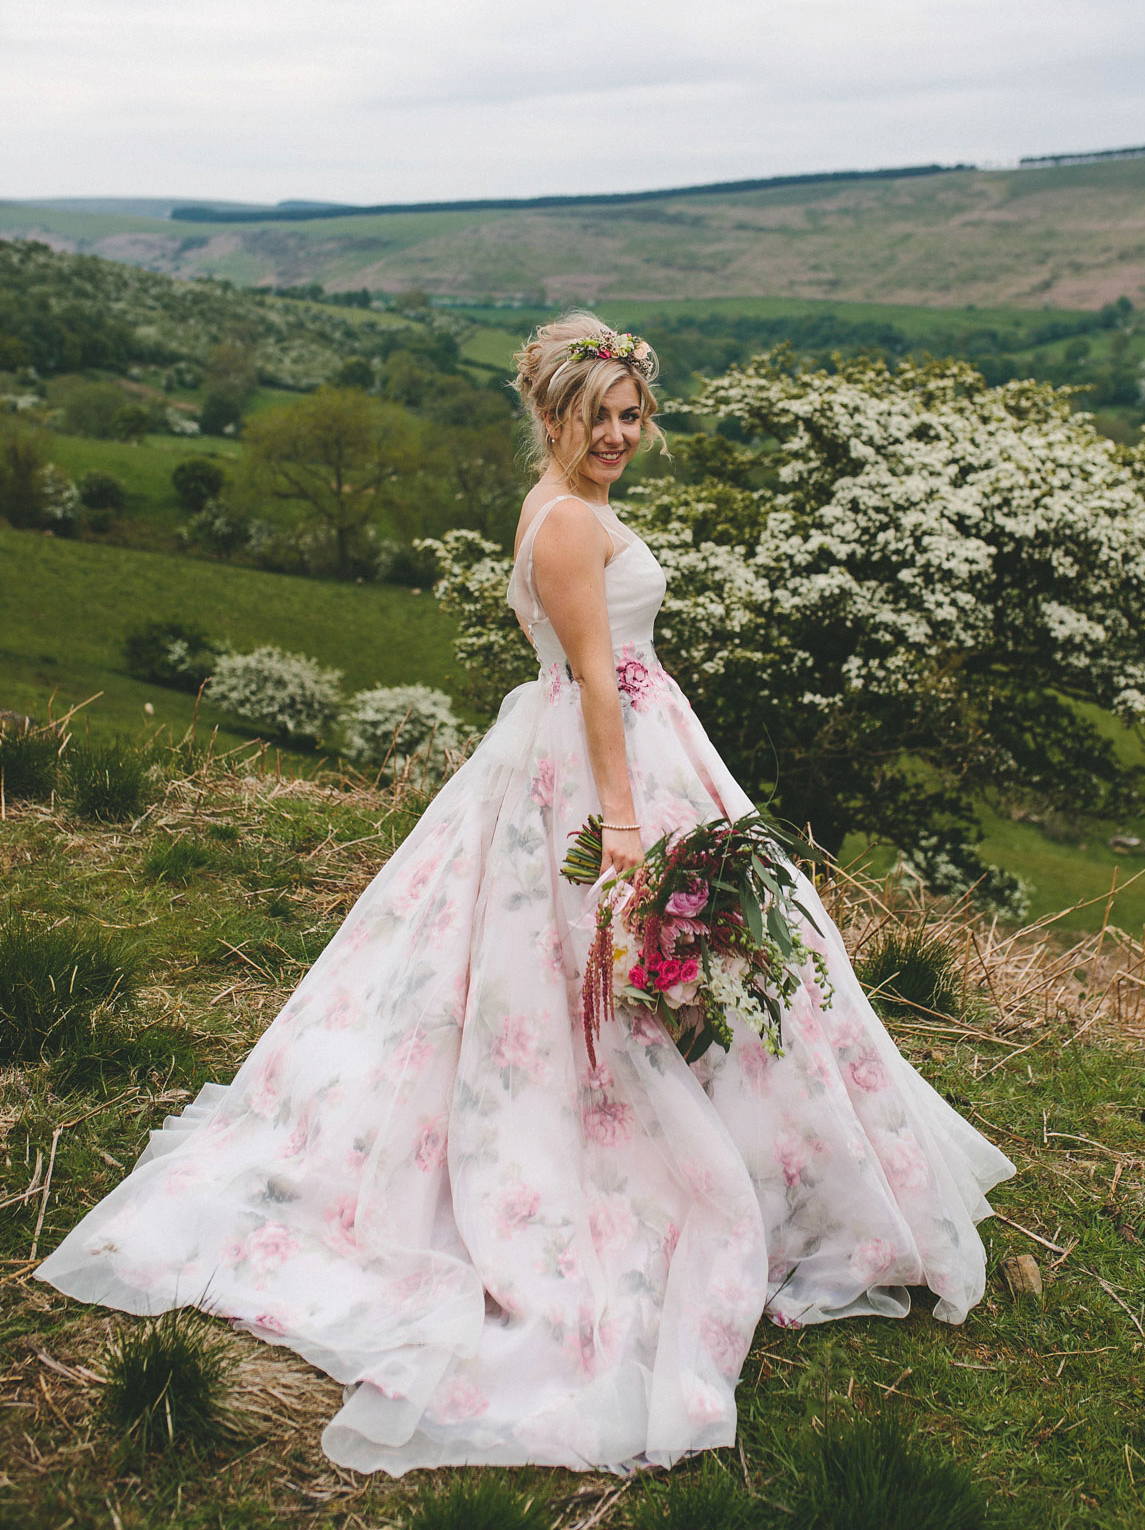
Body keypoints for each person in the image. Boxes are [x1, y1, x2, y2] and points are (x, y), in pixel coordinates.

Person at [37, 312, 1014, 1475]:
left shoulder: (574, 509)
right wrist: (624, 827)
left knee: (713, 967)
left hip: (635, 740)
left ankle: (769, 1156)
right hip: (604, 763)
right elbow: (597, 677)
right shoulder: (562, 524)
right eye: (597, 414)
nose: (618, 433)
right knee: (583, 986)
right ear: (552, 414)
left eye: (630, 414)